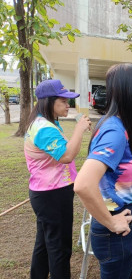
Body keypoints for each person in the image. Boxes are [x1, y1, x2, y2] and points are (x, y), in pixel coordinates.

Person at [74, 63, 132, 279]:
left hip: (119, 226)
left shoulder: (114, 124)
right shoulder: (115, 131)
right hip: (114, 230)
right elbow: (83, 184)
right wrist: (111, 222)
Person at [24, 79, 91, 279]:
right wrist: (79, 130)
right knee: (60, 248)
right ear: (49, 101)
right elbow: (66, 156)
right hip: (52, 195)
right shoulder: (44, 128)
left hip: (46, 193)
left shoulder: (44, 123)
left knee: (44, 243)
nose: (68, 105)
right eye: (63, 101)